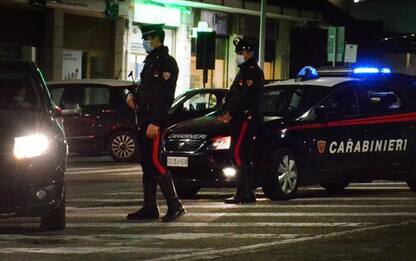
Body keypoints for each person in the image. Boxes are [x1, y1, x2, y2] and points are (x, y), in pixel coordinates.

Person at [126, 23, 186, 222]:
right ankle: (150, 207)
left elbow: (165, 97)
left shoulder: (166, 63)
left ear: (157, 39)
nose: (144, 42)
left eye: (147, 38)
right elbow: (146, 90)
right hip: (144, 118)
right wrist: (132, 95)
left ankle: (175, 204)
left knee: (155, 161)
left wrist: (157, 122)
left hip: (153, 120)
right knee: (146, 163)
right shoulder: (151, 61)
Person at [219, 37, 264, 204]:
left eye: (239, 52)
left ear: (248, 52)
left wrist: (231, 111)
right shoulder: (244, 70)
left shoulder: (252, 71)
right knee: (240, 154)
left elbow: (243, 96)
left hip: (245, 118)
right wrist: (225, 108)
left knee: (238, 154)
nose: (237, 55)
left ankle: (244, 190)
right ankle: (246, 191)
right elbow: (233, 94)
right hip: (239, 118)